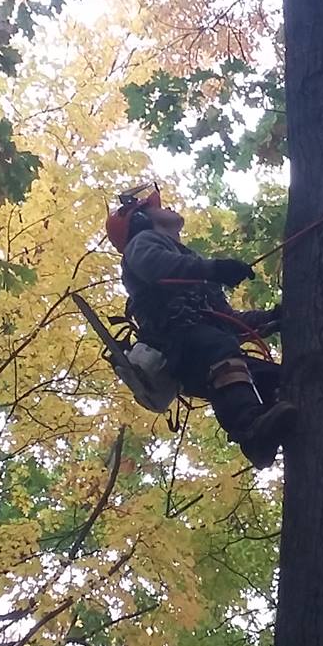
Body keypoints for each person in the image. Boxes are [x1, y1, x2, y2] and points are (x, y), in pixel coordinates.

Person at [107, 188, 295, 468]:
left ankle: (273, 428)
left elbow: (227, 319)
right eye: (154, 207)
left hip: (207, 353)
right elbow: (155, 265)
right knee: (220, 346)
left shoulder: (191, 264)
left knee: (275, 377)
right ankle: (250, 428)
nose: (166, 208)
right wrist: (214, 269)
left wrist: (271, 318)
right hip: (177, 342)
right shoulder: (143, 243)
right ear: (141, 219)